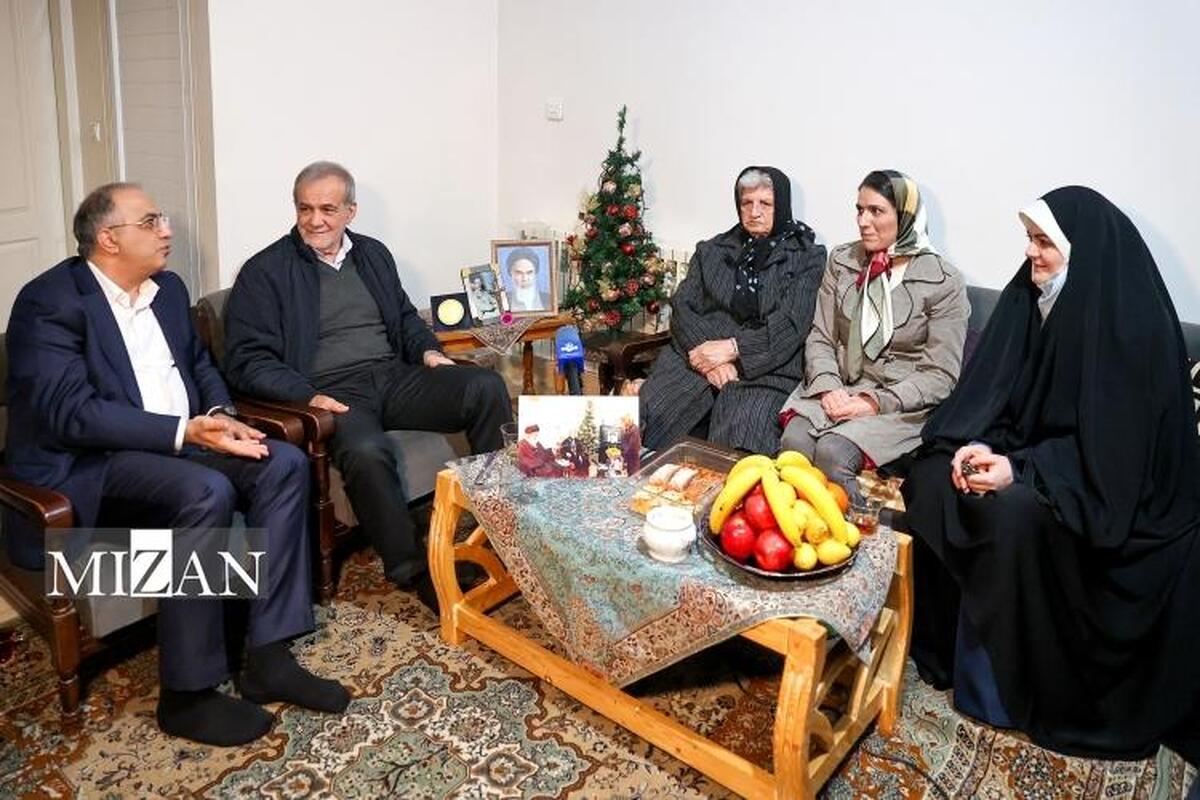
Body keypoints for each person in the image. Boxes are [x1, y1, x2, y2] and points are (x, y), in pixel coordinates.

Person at [5, 183, 349, 747]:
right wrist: (182, 431)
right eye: (151, 221)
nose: (167, 231)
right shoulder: (50, 303)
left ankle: (268, 654)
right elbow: (71, 414)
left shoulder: (167, 290)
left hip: (179, 445)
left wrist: (219, 416)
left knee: (283, 462)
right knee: (204, 490)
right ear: (108, 238)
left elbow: (198, 363)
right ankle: (186, 696)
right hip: (93, 466)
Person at [902, 186, 1200, 764]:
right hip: (1036, 459)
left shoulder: (1129, 326)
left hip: (1117, 495)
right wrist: (976, 445)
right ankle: (941, 654)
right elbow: (994, 395)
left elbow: (1114, 455)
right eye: (1029, 238)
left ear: (1079, 250)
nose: (1030, 253)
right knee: (934, 474)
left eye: (1044, 242)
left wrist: (1020, 470)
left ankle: (1000, 692)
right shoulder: (1029, 297)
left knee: (1010, 514)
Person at [223, 162, 512, 598]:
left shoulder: (373, 254)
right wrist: (307, 395)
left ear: (350, 211)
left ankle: (501, 529)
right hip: (332, 394)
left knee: (484, 387)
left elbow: (404, 317)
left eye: (327, 209)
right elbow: (246, 360)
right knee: (365, 450)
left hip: (393, 377)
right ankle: (412, 569)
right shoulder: (264, 272)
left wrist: (429, 352)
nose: (315, 220)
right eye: (305, 209)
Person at [779, 170, 969, 501]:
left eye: (876, 211)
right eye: (859, 210)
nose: (863, 221)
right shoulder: (842, 261)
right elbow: (821, 336)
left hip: (897, 403)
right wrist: (828, 386)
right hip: (836, 389)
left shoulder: (944, 282)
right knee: (795, 443)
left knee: (833, 452)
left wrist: (873, 402)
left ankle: (854, 530)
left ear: (905, 216)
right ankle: (791, 527)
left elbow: (940, 374)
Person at [628, 166, 826, 455]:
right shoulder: (712, 250)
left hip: (766, 369)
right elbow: (683, 307)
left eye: (765, 203)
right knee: (654, 409)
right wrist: (710, 360)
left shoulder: (807, 257)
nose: (754, 212)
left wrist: (735, 350)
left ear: (782, 205)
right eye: (747, 202)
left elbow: (792, 324)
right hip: (696, 358)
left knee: (745, 431)